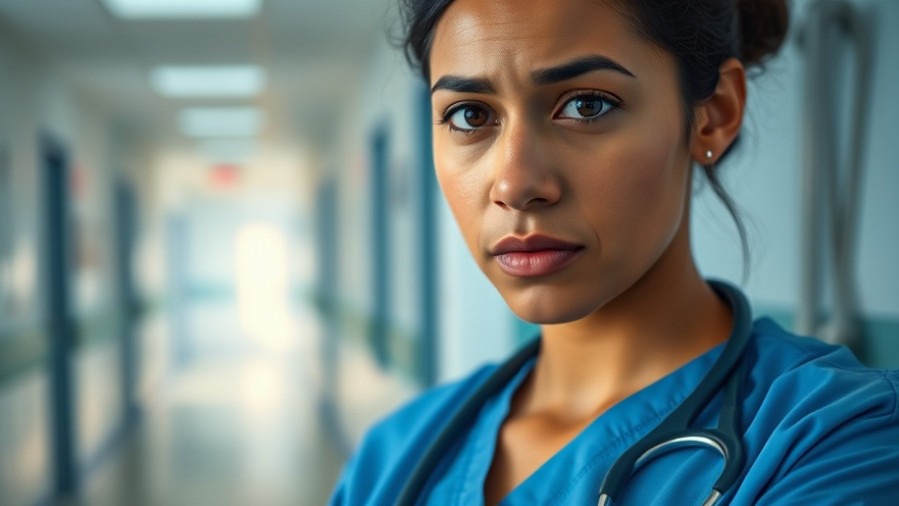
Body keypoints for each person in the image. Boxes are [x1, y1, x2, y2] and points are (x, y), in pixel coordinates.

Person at [330, 0, 899, 504]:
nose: (515, 183)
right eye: (470, 115)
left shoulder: (836, 438)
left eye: (586, 106)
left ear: (715, 113)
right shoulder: (394, 458)